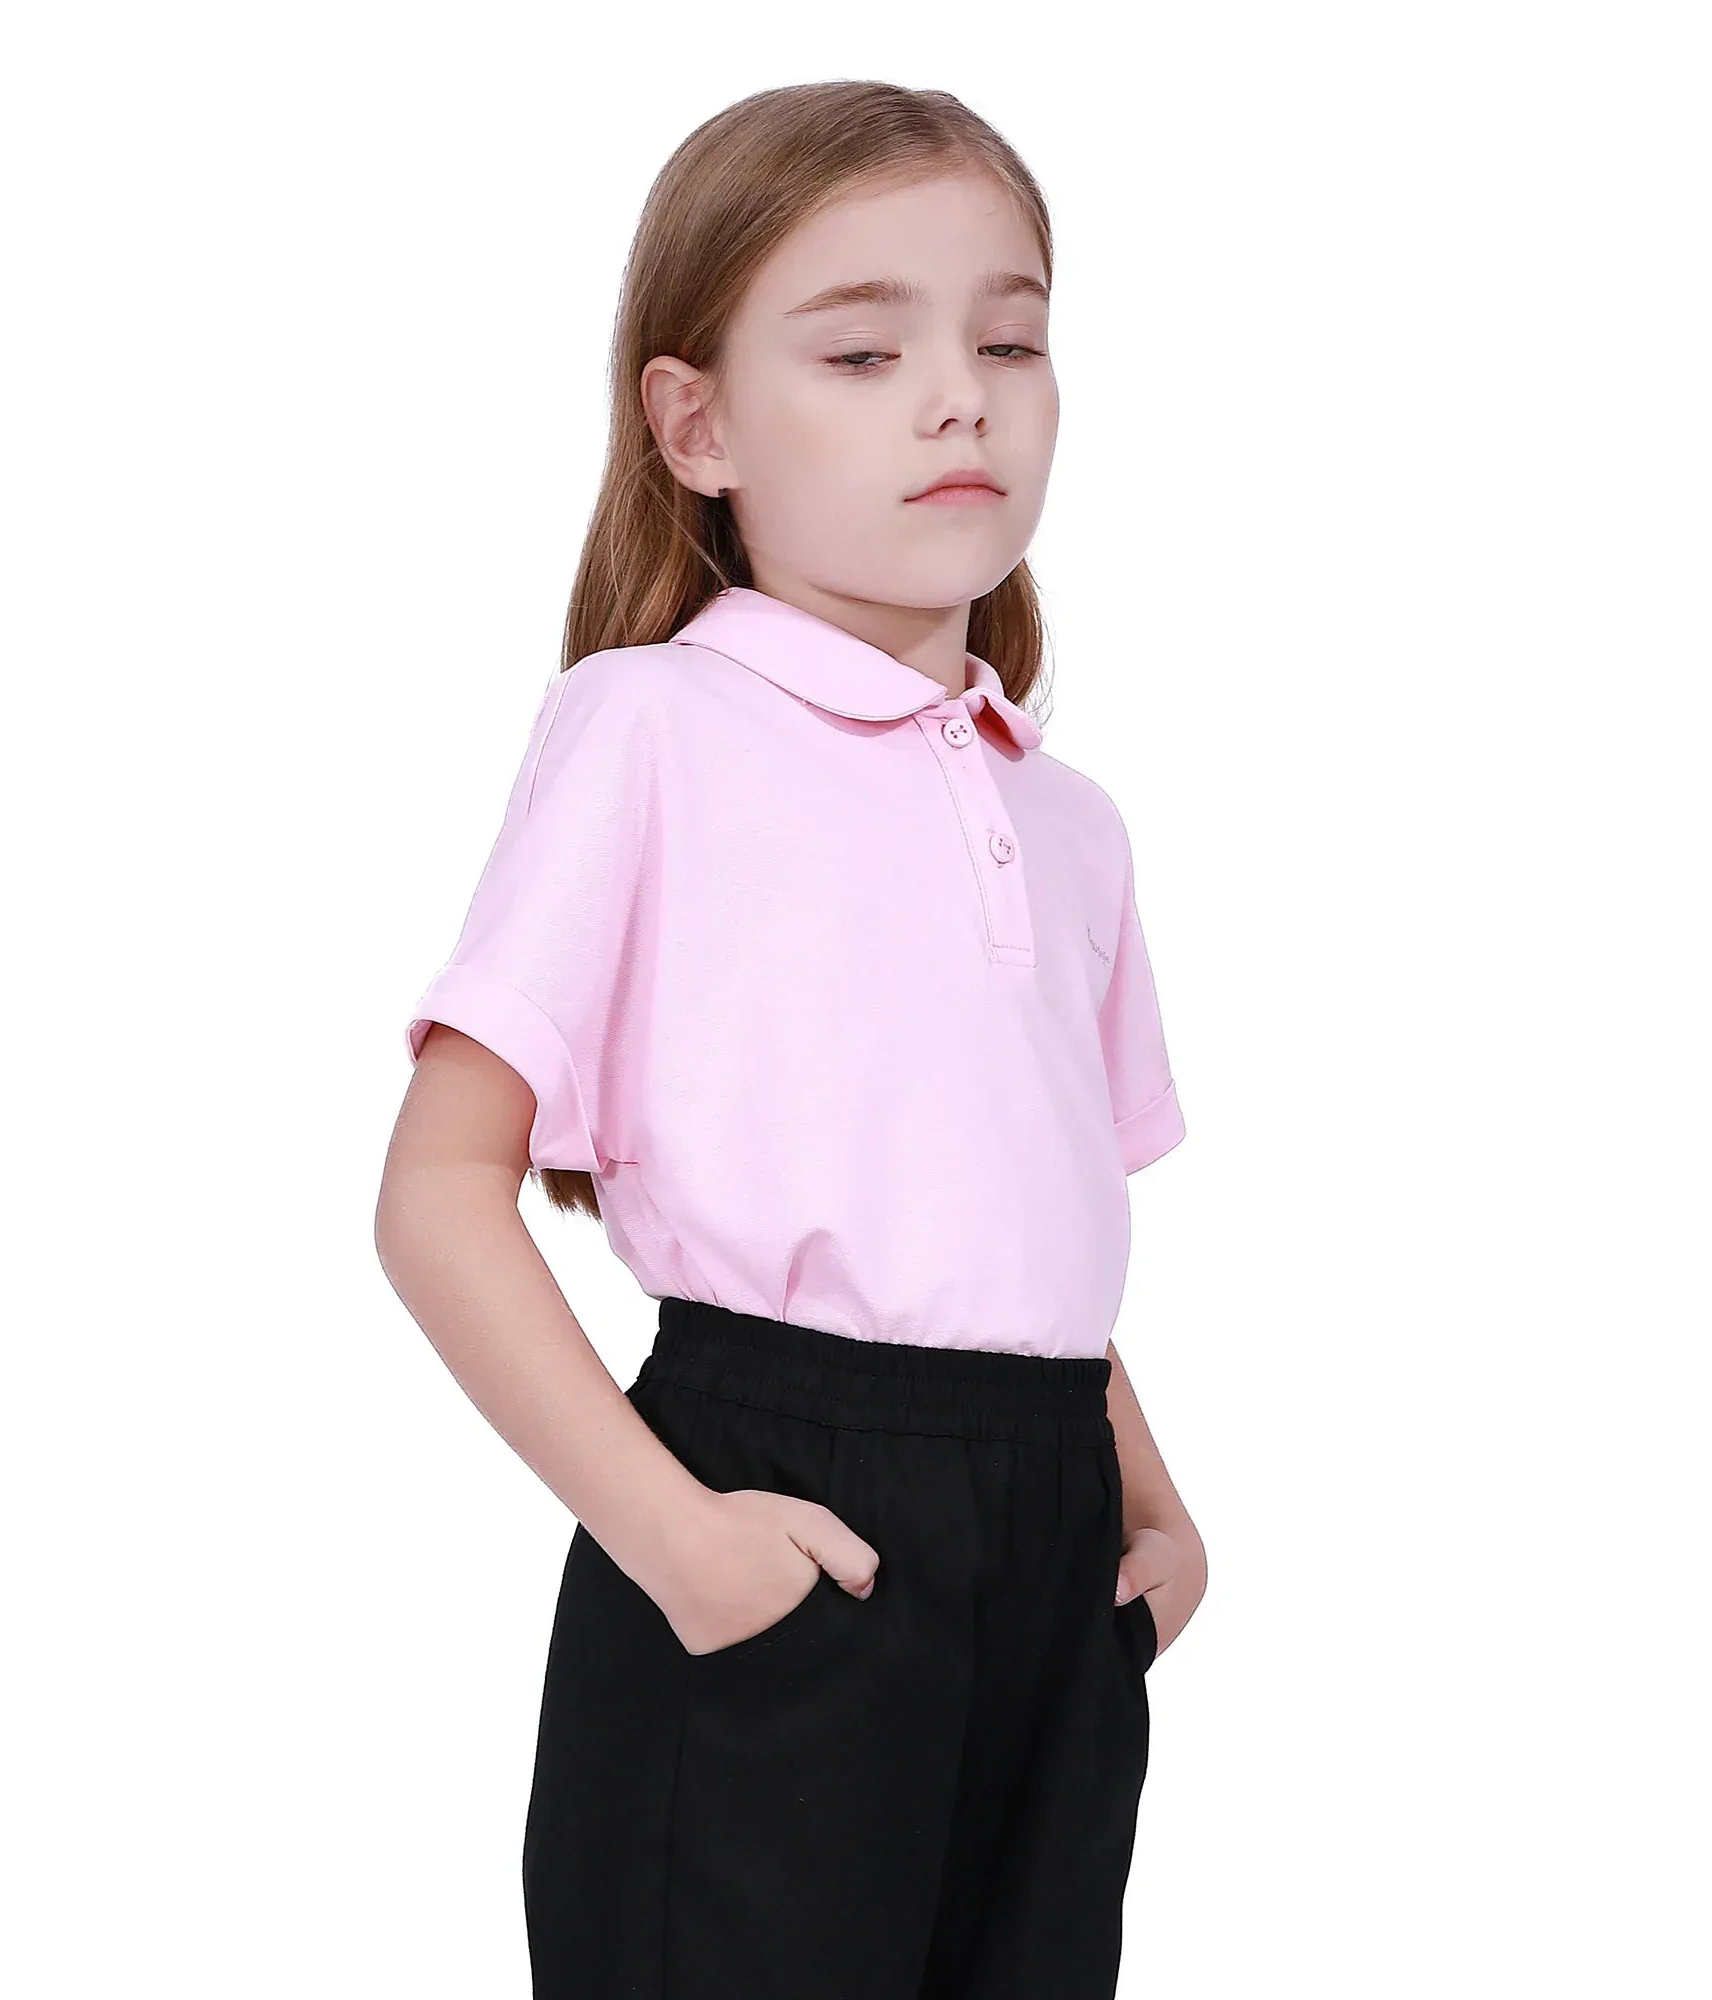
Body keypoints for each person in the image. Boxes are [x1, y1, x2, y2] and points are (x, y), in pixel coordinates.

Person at [374, 77, 1207, 2000]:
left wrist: (1149, 1502)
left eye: (1011, 340)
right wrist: (680, 1545)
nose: (960, 400)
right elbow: (434, 1193)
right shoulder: (653, 728)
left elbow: (1012, 1228)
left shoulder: (1070, 821)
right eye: (862, 350)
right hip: (788, 1504)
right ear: (700, 427)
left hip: (1052, 1541)